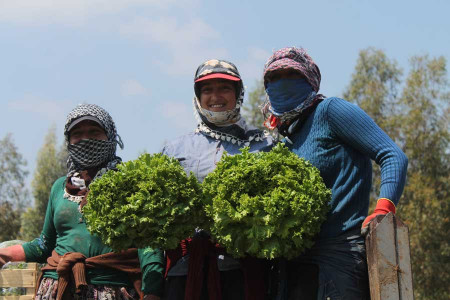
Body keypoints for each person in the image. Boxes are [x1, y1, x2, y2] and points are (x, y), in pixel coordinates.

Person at [261, 47, 408, 299]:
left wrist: (383, 210)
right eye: (274, 78)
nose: (282, 83)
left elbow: (392, 155)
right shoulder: (286, 138)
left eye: (291, 75)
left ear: (310, 79)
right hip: (295, 266)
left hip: (340, 259)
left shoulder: (330, 111)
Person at [0, 104, 164, 300]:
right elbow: (44, 245)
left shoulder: (131, 184)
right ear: (68, 141)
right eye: (77, 134)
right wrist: (5, 254)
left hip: (111, 290)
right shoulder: (60, 188)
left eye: (94, 131)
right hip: (57, 288)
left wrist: (152, 291)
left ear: (110, 137)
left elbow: (149, 245)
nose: (85, 139)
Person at [162, 59, 274, 300]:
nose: (216, 96)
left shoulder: (264, 145)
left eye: (224, 88)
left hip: (243, 274)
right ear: (198, 96)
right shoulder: (175, 149)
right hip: (185, 273)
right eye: (207, 89)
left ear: (238, 94)